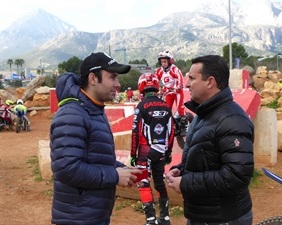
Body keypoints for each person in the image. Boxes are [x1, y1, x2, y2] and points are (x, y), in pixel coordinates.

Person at [50, 52, 142, 225]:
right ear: (93, 78)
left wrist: (124, 170)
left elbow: (94, 157)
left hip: (91, 215)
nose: (118, 84)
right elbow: (67, 168)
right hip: (78, 218)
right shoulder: (72, 114)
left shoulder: (93, 110)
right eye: (112, 77)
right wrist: (114, 176)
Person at [166, 55, 254, 225]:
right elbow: (206, 156)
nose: (186, 83)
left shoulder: (232, 119)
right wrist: (182, 169)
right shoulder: (203, 115)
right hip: (203, 215)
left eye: (192, 78)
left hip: (224, 219)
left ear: (210, 82)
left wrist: (187, 183)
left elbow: (236, 176)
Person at [131, 73, 175, 225]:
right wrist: (168, 152)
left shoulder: (141, 106)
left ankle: (150, 220)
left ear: (141, 87)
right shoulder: (166, 106)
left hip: (145, 151)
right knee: (159, 182)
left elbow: (135, 132)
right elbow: (171, 131)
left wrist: (132, 154)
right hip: (161, 151)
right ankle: (165, 217)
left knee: (142, 182)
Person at [155, 50, 187, 127]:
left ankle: (186, 125)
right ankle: (170, 124)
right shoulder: (160, 71)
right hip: (167, 92)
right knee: (166, 109)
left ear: (169, 61)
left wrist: (179, 87)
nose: (163, 64)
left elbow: (180, 77)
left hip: (177, 92)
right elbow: (155, 80)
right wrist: (156, 89)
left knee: (180, 109)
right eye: (162, 62)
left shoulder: (174, 69)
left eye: (165, 62)